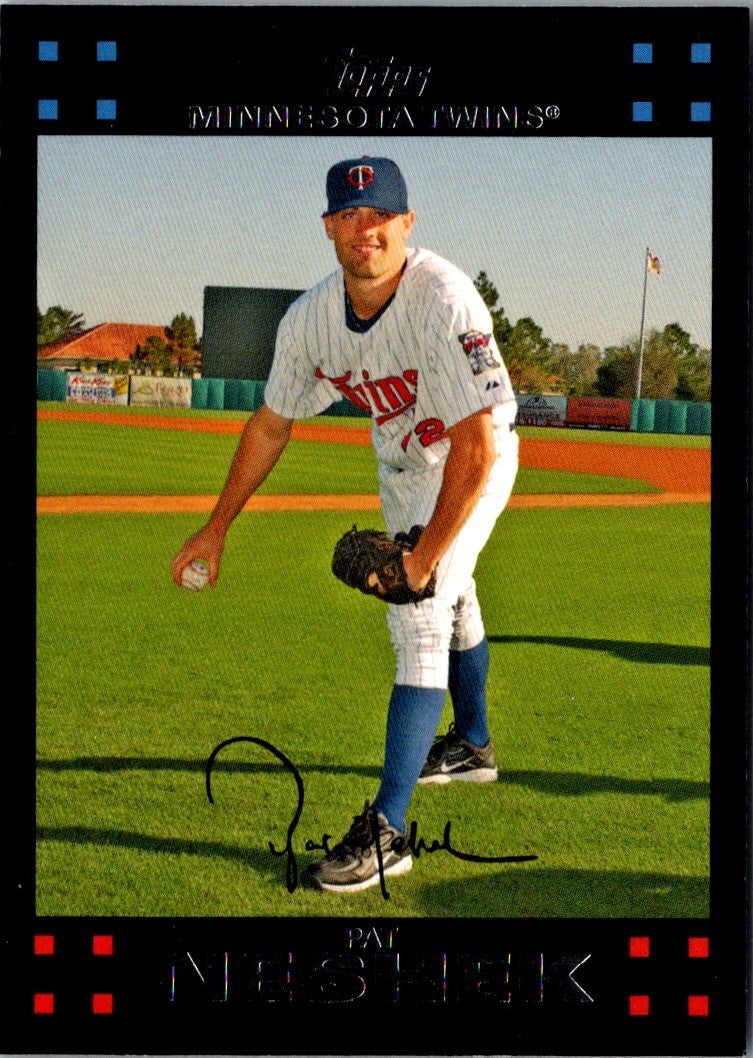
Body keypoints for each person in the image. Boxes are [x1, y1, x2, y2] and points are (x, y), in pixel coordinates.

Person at [171, 155, 519, 893]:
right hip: (401, 467)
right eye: (349, 216)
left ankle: (390, 830)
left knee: (420, 614)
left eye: (379, 216)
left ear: (405, 223)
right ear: (329, 226)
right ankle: (474, 745)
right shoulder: (310, 321)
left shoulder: (445, 300)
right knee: (455, 598)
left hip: (473, 460)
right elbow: (270, 425)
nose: (365, 230)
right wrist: (216, 527)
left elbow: (477, 444)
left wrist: (423, 558)